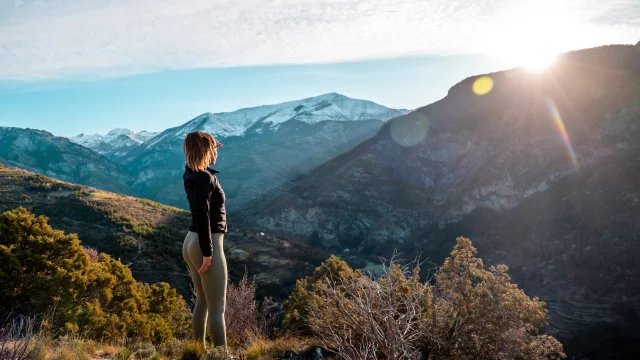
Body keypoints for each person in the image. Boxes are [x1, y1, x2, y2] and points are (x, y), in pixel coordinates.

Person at [182, 131, 228, 351]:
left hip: (190, 241)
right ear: (205, 151)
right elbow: (203, 216)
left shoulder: (191, 173)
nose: (216, 152)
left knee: (202, 301)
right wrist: (208, 253)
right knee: (217, 307)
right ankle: (222, 355)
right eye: (212, 149)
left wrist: (209, 146)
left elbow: (198, 165)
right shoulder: (205, 178)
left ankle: (197, 350)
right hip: (205, 242)